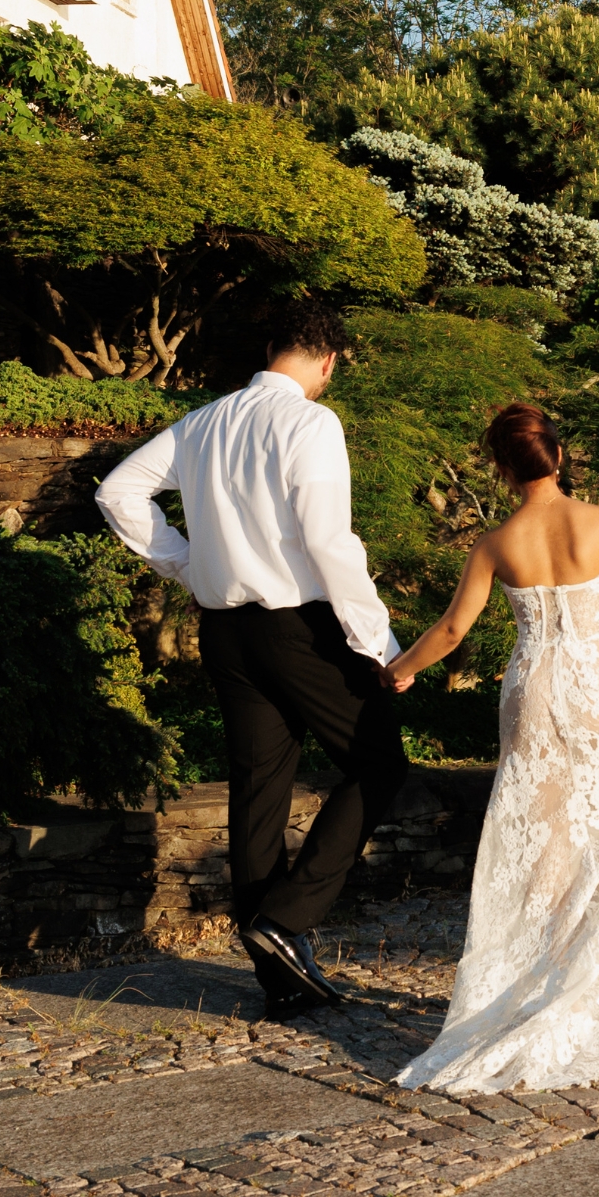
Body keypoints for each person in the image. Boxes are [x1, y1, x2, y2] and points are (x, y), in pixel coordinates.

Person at [95, 300, 410, 1020]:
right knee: (380, 763)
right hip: (300, 626)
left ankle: (278, 978)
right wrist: (379, 644)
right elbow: (331, 543)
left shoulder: (204, 422)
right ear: (329, 361)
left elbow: (118, 491)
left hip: (224, 629)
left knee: (259, 788)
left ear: (272, 347)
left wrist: (184, 563)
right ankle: (287, 920)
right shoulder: (311, 421)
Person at [390, 403, 599, 1095]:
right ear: (559, 454)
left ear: (504, 469)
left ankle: (553, 983)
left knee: (544, 847)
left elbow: (454, 628)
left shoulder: (494, 542)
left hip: (532, 696)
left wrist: (405, 669)